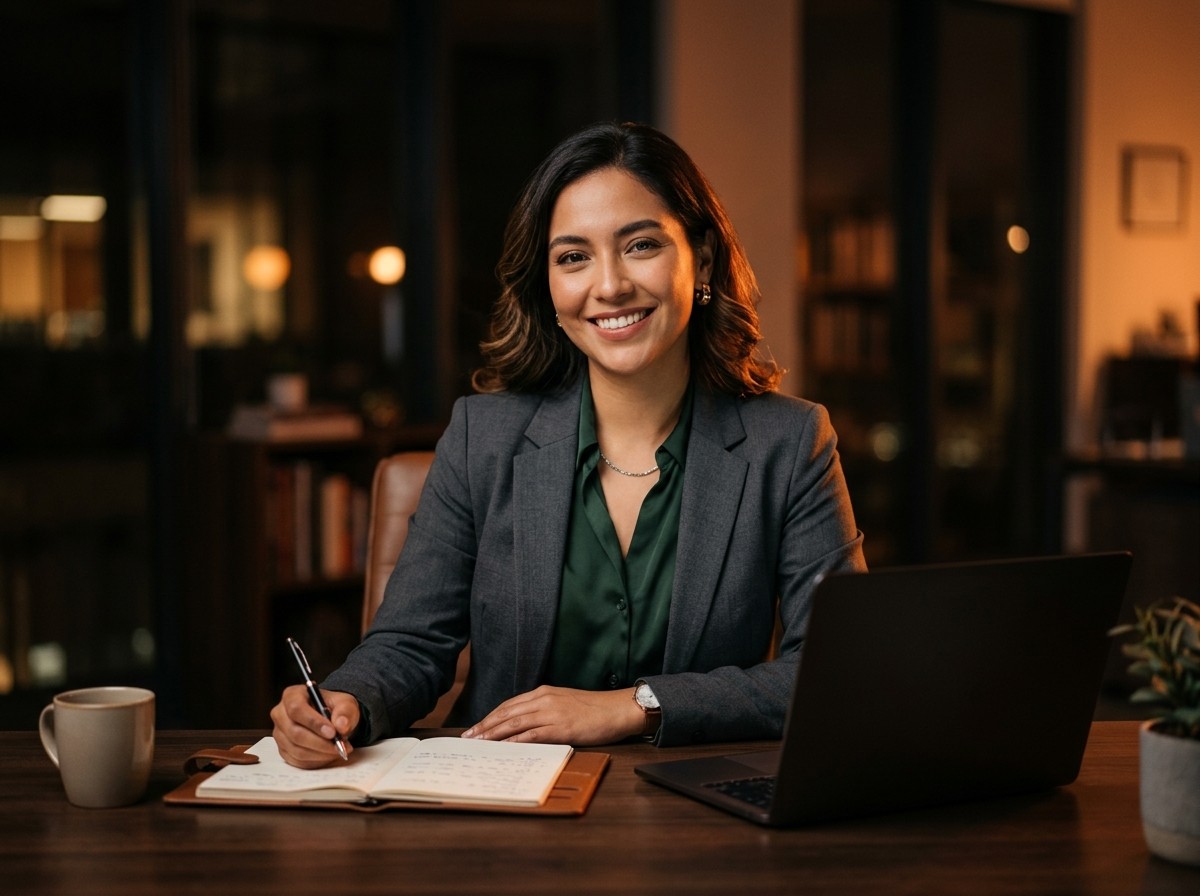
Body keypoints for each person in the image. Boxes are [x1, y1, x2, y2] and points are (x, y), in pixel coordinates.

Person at [271, 121, 866, 768]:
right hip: (504, 810)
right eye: (573, 257)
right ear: (548, 288)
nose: (608, 285)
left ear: (704, 257)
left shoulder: (792, 442)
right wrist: (347, 701)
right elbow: (410, 645)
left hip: (698, 817)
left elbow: (833, 672)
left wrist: (635, 705)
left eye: (640, 245)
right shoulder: (482, 439)